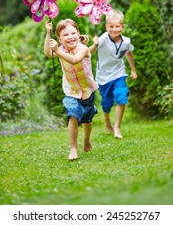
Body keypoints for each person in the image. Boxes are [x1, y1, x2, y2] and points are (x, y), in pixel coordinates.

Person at [44, 19, 98, 160]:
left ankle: (86, 139)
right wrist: (47, 33)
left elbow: (75, 60)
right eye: (65, 35)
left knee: (87, 119)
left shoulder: (83, 49)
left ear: (78, 34)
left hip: (87, 90)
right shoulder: (60, 49)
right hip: (71, 90)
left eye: (73, 33)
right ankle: (73, 148)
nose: (70, 37)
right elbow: (48, 53)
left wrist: (57, 51)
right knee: (73, 115)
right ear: (60, 39)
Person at [94, 10, 137, 139]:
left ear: (122, 27)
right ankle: (107, 121)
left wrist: (133, 70)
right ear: (106, 27)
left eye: (117, 26)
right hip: (103, 77)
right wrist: (94, 43)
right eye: (111, 26)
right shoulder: (102, 39)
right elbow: (90, 50)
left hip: (119, 74)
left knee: (121, 96)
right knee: (106, 103)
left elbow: (129, 53)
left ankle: (117, 127)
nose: (114, 29)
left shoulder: (126, 41)